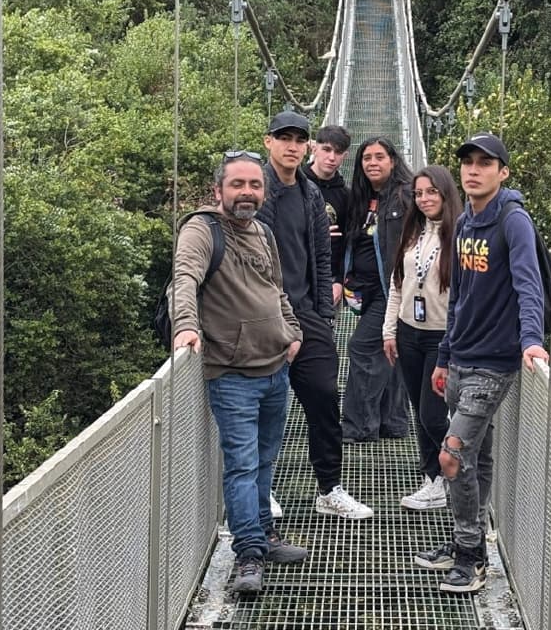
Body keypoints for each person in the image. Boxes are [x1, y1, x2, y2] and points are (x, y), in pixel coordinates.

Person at [413, 132, 549, 593]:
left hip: (495, 364)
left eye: (484, 164)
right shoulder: (465, 224)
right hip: (461, 359)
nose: (473, 170)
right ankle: (465, 544)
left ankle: (470, 556)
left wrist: (532, 340)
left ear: (502, 172)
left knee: (450, 458)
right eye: (467, 163)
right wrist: (444, 356)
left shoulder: (514, 222)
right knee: (475, 457)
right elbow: (460, 300)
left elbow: (530, 287)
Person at [171, 151, 308, 594]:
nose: (246, 192)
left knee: (265, 462)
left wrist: (293, 331)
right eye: (237, 185)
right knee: (242, 466)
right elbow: (184, 279)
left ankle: (265, 536)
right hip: (231, 373)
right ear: (219, 191)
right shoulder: (202, 229)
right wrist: (187, 325)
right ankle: (248, 555)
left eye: (254, 185)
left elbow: (276, 289)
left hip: (275, 367)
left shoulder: (263, 231)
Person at [257, 111, 373, 519]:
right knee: (267, 407)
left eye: (299, 139)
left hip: (307, 312)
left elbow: (323, 256)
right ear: (268, 142)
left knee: (324, 397)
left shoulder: (310, 195)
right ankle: (261, 490)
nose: (292, 145)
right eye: (283, 138)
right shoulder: (256, 189)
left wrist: (323, 313)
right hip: (262, 315)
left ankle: (330, 489)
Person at [383, 165, 462, 510]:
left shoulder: (462, 234)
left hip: (441, 338)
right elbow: (397, 284)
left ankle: (452, 473)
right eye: (419, 193)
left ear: (446, 193)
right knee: (419, 410)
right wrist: (389, 330)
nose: (425, 199)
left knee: (433, 414)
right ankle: (432, 479)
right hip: (408, 332)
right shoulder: (413, 232)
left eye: (432, 191)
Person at [341, 137, 413, 442]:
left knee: (361, 348)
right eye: (366, 158)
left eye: (379, 157)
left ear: (393, 161)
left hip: (393, 291)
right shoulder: (364, 198)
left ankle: (358, 427)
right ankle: (392, 423)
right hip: (366, 290)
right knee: (388, 352)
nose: (372, 163)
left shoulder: (406, 195)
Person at [304, 125, 352, 306]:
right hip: (296, 275)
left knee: (324, 334)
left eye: (338, 152)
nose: (331, 157)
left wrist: (339, 281)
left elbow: (348, 242)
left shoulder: (346, 196)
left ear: (345, 156)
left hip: (329, 279)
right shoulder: (295, 184)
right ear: (314, 148)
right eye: (326, 149)